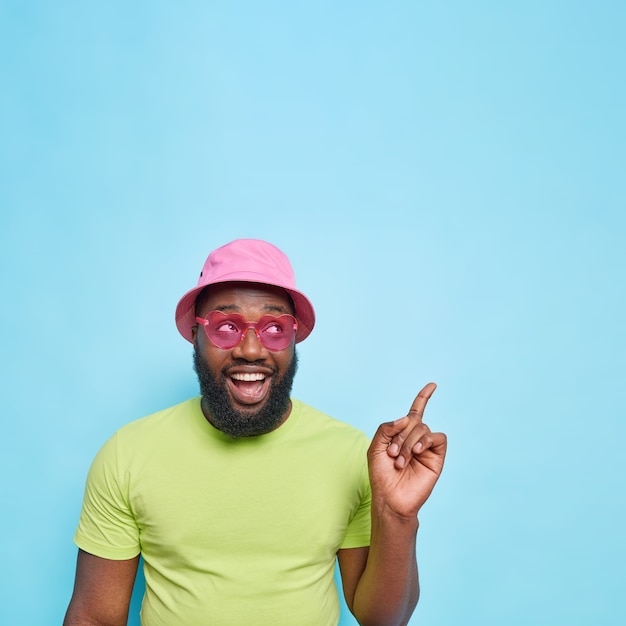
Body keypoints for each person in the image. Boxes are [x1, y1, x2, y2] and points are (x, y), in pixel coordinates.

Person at [64, 238, 447, 626]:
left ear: (294, 338)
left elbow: (383, 620)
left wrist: (397, 516)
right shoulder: (128, 453)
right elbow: (94, 617)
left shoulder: (350, 454)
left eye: (274, 327)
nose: (250, 349)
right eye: (226, 326)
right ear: (193, 336)